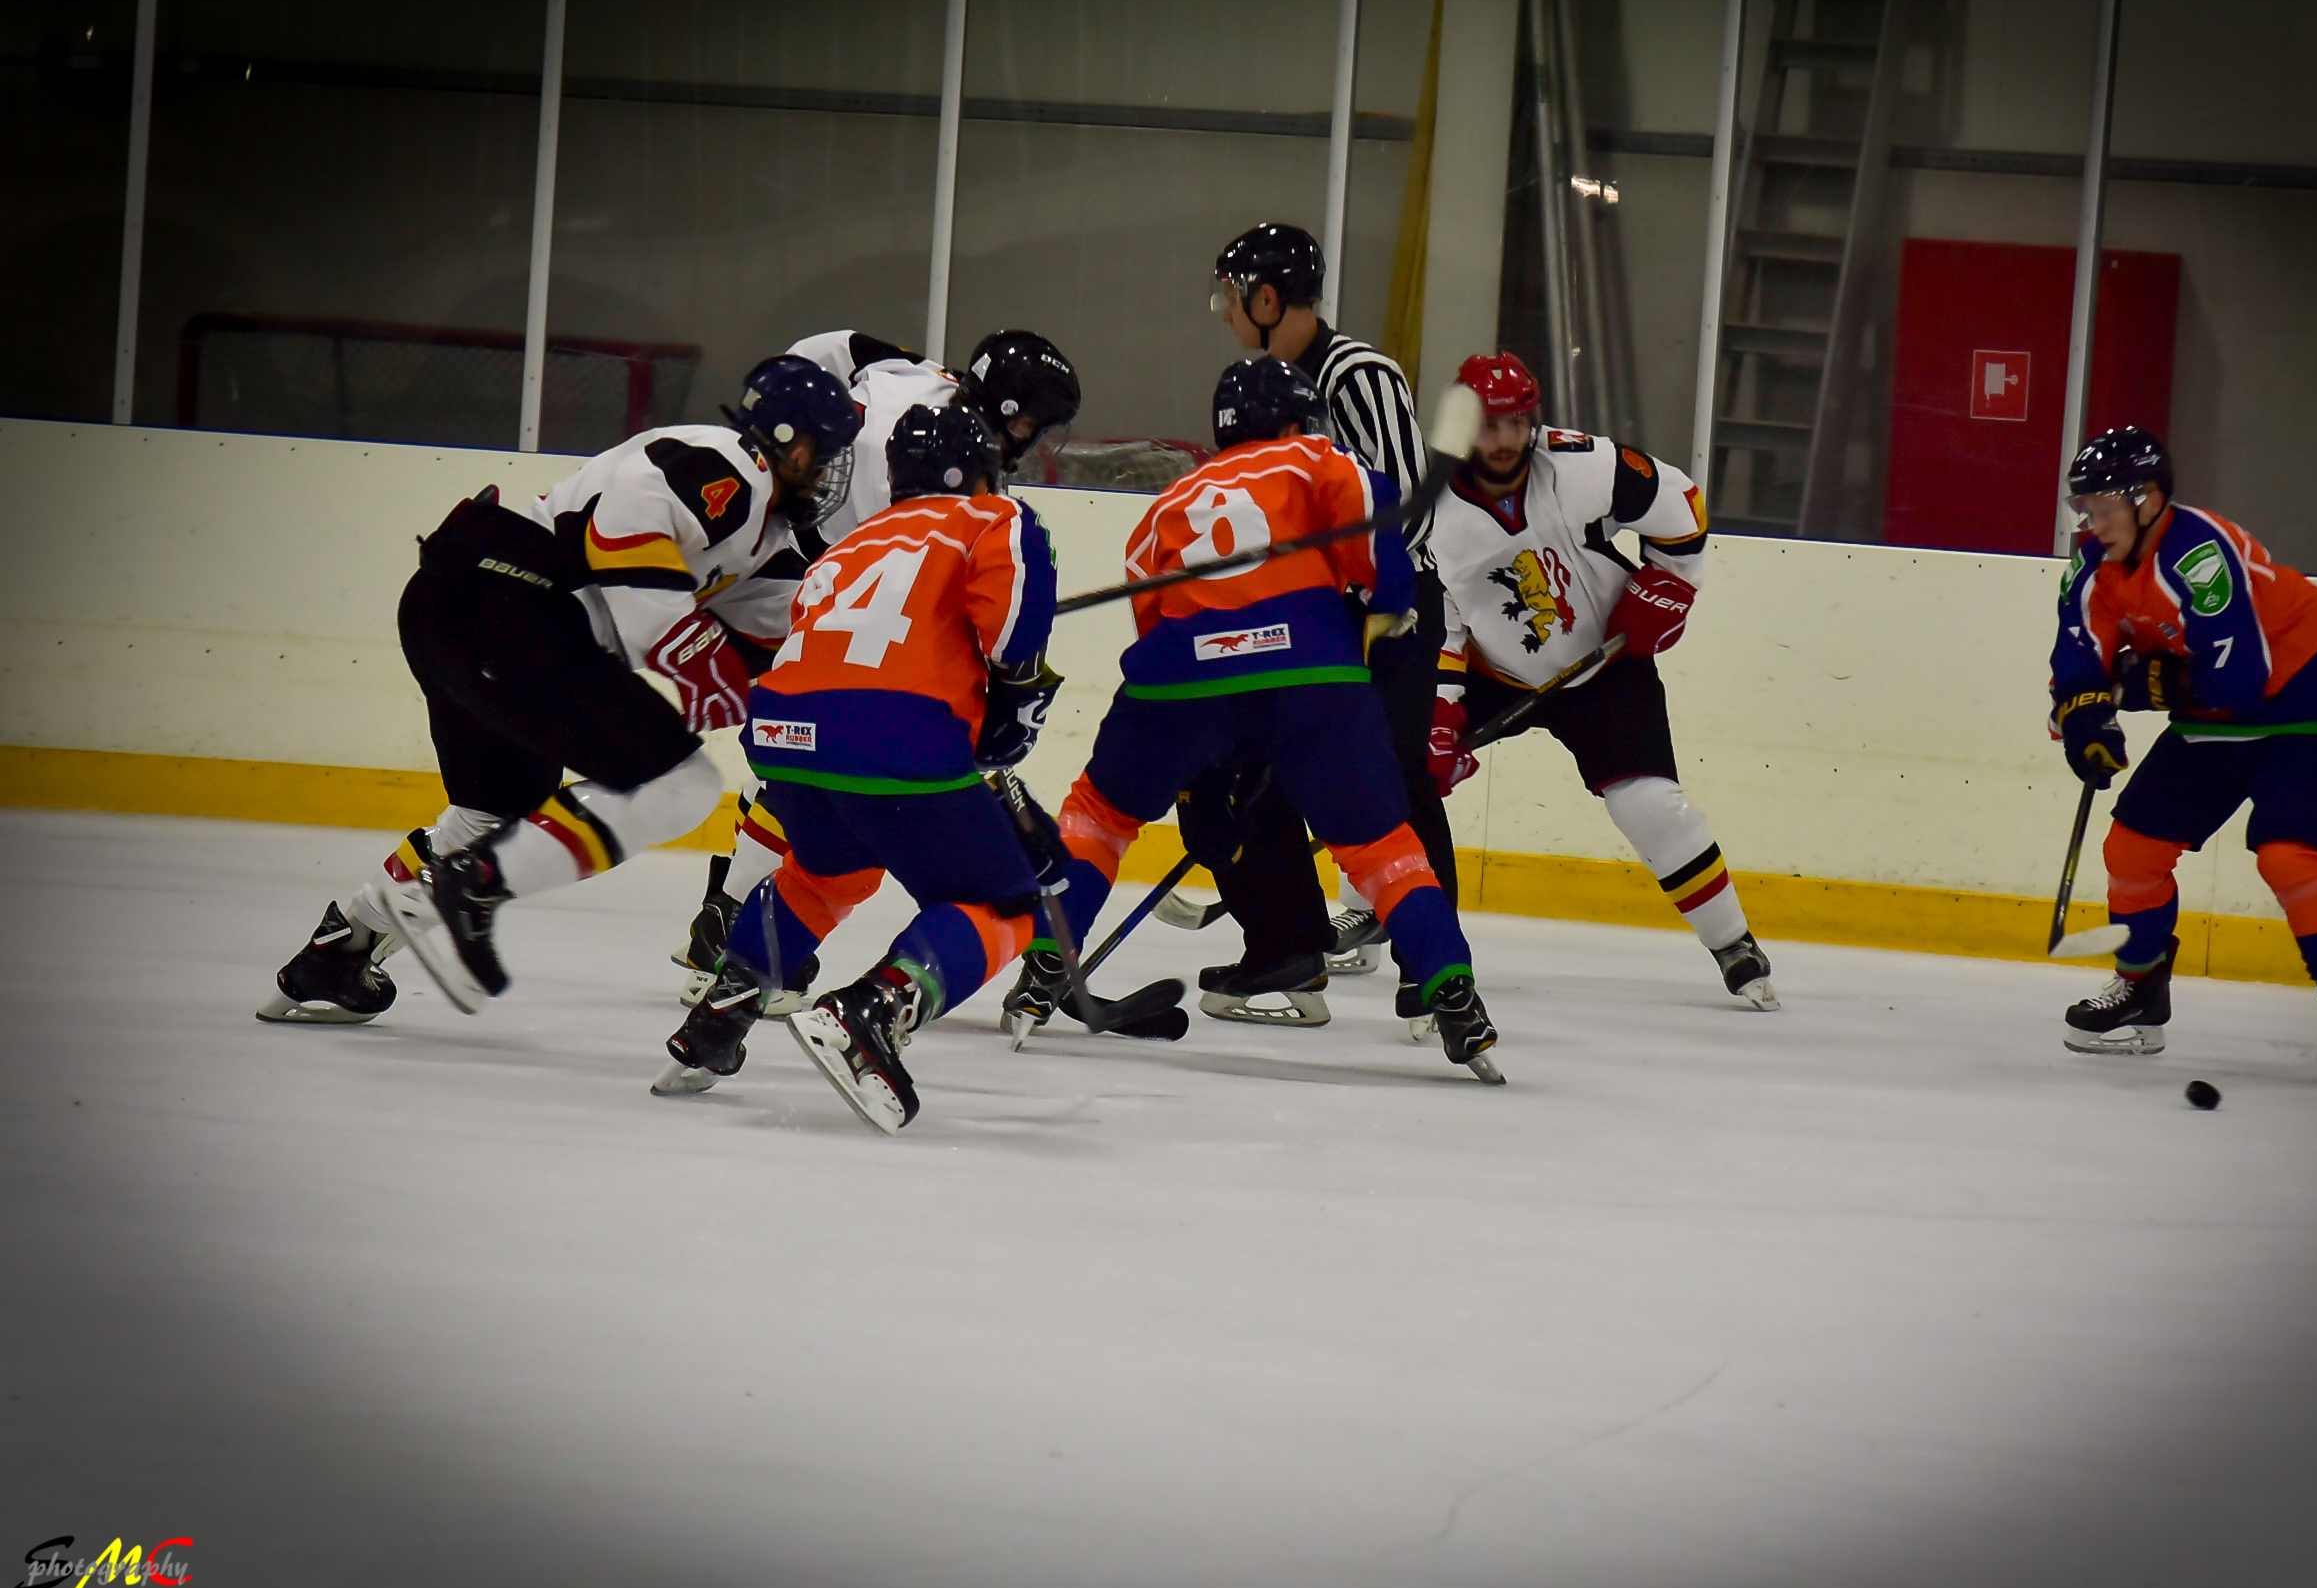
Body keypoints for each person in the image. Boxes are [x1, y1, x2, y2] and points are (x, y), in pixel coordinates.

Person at [257, 355, 858, 1022]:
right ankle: (478, 883)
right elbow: (625, 525)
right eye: (824, 455)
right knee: (677, 784)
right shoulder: (730, 465)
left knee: (496, 814)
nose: (828, 475)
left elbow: (788, 642)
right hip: (509, 609)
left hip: (460, 609)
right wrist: (689, 648)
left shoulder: (764, 536)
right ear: (787, 442)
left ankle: (339, 950)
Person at [1007, 356, 1504, 1079]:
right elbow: (1388, 576)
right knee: (1381, 846)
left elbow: (1159, 632)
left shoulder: (1168, 505)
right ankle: (1451, 987)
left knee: (1100, 816)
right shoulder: (1322, 460)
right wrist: (1368, 656)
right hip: (1311, 671)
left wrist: (1203, 777)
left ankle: (1047, 962)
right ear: (1297, 422)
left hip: (1182, 674)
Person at [652, 403, 1065, 1132]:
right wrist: (1014, 708)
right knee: (1004, 905)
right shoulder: (994, 518)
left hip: (783, 735)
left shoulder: (848, 545)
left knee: (825, 875)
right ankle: (875, 1009)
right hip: (891, 735)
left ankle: (719, 1017)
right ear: (981, 472)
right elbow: (1011, 637)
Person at [1425, 352, 1777, 1010]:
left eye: (1516, 422)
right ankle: (1369, 914)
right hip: (1491, 673)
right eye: (1489, 425)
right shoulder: (1429, 508)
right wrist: (1443, 714)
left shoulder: (1582, 466)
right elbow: (1438, 626)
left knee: (1650, 805)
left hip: (1606, 664)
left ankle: (1732, 942)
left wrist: (1670, 585)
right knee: (1403, 772)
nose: (1504, 440)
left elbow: (1682, 504)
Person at [2049, 425, 2317, 1080]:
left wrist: (2135, 684)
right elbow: (2079, 654)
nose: (2092, 521)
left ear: (2150, 500)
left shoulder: (2200, 553)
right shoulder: (2091, 563)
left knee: (2290, 858)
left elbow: (2236, 679)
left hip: (2306, 708)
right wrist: (2087, 721)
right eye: (2085, 507)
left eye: (2105, 506)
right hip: (2215, 720)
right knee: (2133, 849)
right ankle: (2141, 987)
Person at [1192, 221, 1454, 1024]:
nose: (1225, 313)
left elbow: (1404, 509)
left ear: (1270, 299)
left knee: (1394, 777)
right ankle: (1287, 946)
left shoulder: (1356, 374)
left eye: (1233, 297)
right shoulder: (1261, 390)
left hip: (1388, 611)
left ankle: (1434, 970)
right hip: (1308, 615)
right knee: (1241, 762)